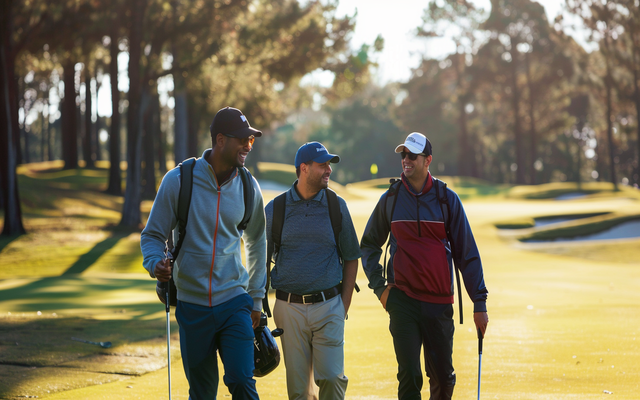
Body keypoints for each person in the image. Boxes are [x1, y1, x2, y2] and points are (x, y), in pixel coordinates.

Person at [141, 106, 267, 400]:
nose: (248, 146)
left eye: (252, 140)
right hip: (191, 306)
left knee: (241, 381)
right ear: (220, 140)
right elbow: (152, 235)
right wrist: (154, 263)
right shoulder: (179, 180)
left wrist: (257, 299)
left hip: (234, 301)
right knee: (202, 392)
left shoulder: (249, 186)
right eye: (243, 140)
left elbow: (258, 241)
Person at [360, 132, 489, 400]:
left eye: (412, 156)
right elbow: (369, 244)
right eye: (403, 155)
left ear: (427, 160)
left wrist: (479, 302)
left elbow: (467, 254)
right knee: (409, 376)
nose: (405, 160)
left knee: (443, 377)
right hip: (402, 301)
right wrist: (381, 290)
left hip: (439, 302)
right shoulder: (392, 198)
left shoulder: (446, 199)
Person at [264, 142, 361, 400]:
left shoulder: (336, 206)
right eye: (323, 165)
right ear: (304, 168)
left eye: (329, 164)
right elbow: (259, 262)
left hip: (329, 306)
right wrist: (255, 304)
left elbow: (352, 257)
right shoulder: (276, 209)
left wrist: (344, 307)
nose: (329, 170)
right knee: (299, 393)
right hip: (288, 308)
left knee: (331, 378)